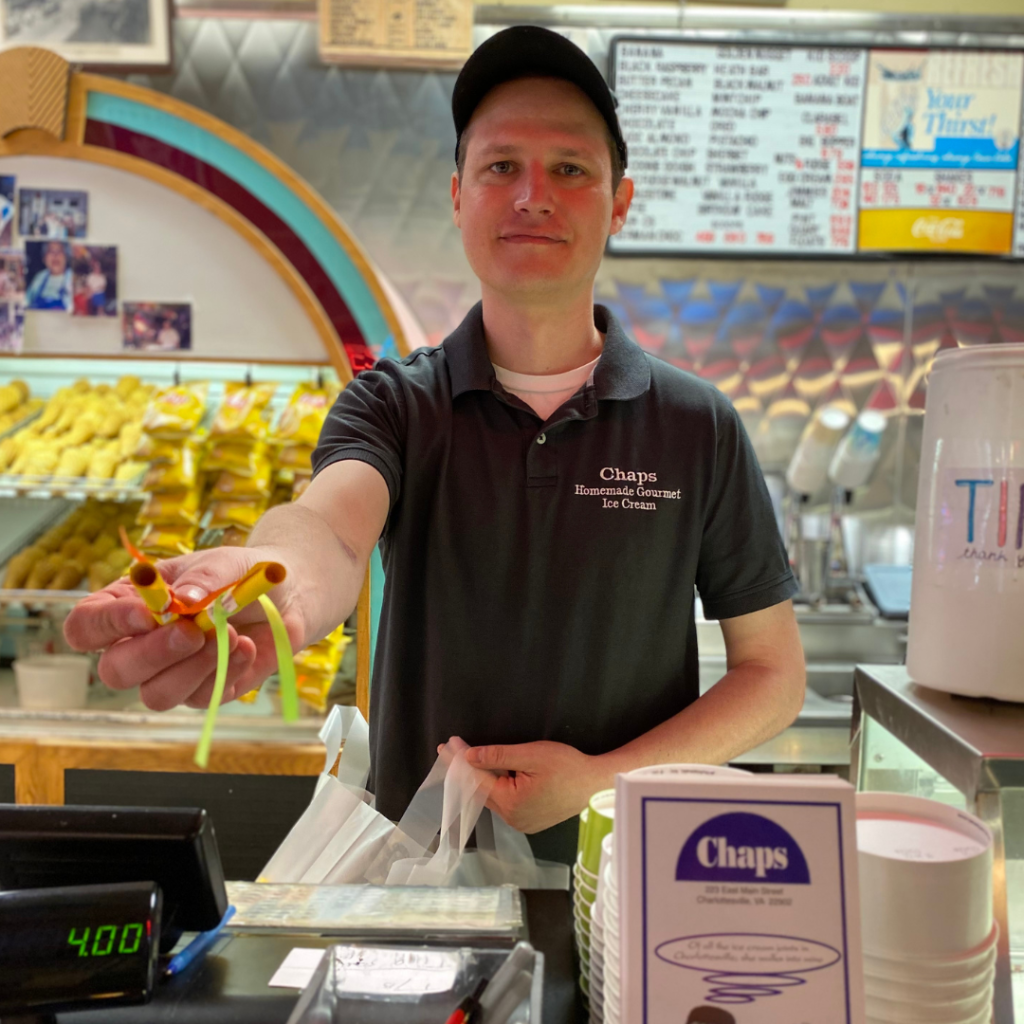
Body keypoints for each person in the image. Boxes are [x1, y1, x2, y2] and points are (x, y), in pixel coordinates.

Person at [64, 26, 805, 863]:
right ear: (458, 195)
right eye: (500, 167)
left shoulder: (696, 424)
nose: (533, 194)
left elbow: (773, 678)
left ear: (619, 202)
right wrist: (278, 582)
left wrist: (605, 777)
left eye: (570, 168)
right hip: (423, 884)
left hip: (630, 869)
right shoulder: (396, 404)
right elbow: (332, 528)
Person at [25, 241, 72, 311]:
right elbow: (26, 302)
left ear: (66, 257)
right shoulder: (39, 277)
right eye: (50, 251)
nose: (55, 255)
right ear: (44, 258)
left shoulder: (72, 277)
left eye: (59, 251)